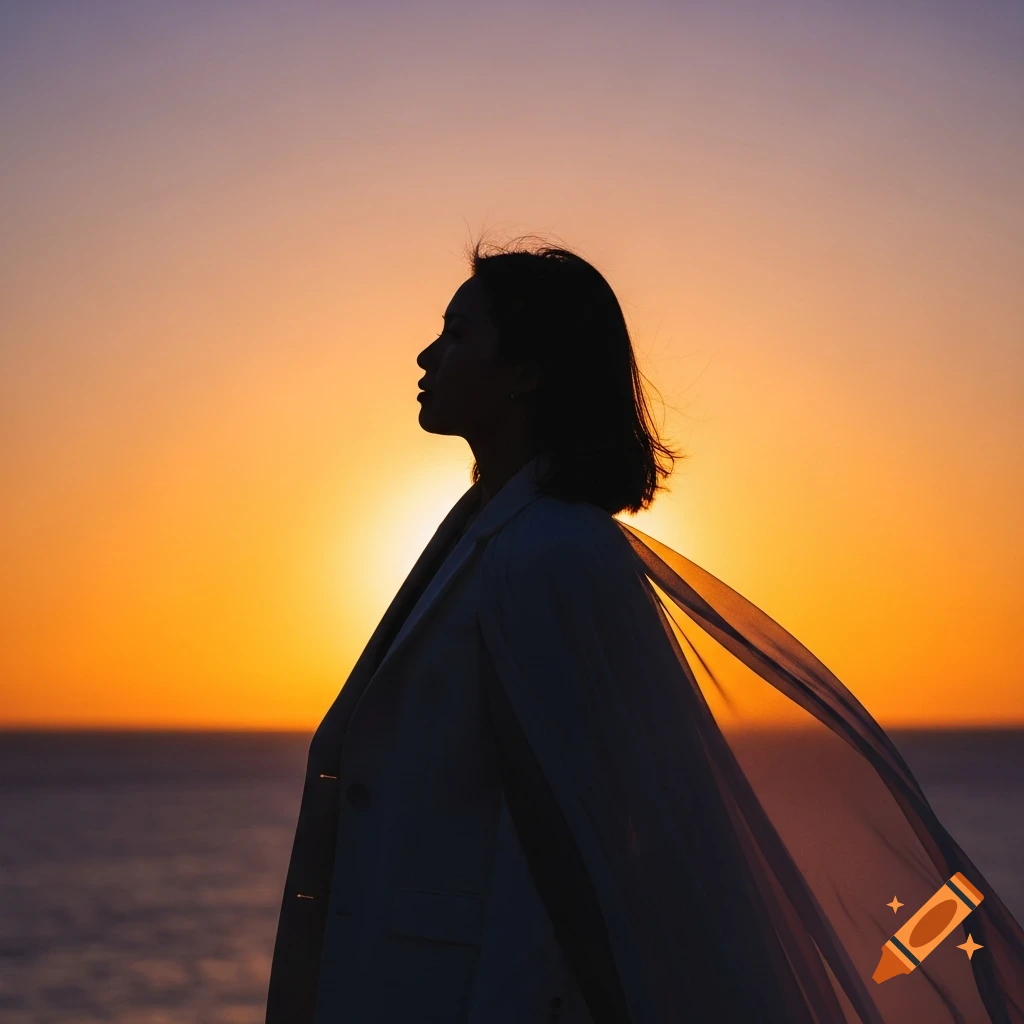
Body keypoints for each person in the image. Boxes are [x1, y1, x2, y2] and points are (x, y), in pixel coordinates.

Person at [266, 235, 1024, 1023]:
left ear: (528, 371)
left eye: (458, 334)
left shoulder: (551, 553)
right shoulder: (486, 532)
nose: (427, 355)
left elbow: (587, 832)